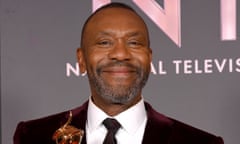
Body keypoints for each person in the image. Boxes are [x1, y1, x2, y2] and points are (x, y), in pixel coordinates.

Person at [14, 2, 224, 144]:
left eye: (134, 43)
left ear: (149, 59)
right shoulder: (34, 137)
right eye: (105, 42)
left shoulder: (199, 142)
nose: (121, 54)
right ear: (81, 59)